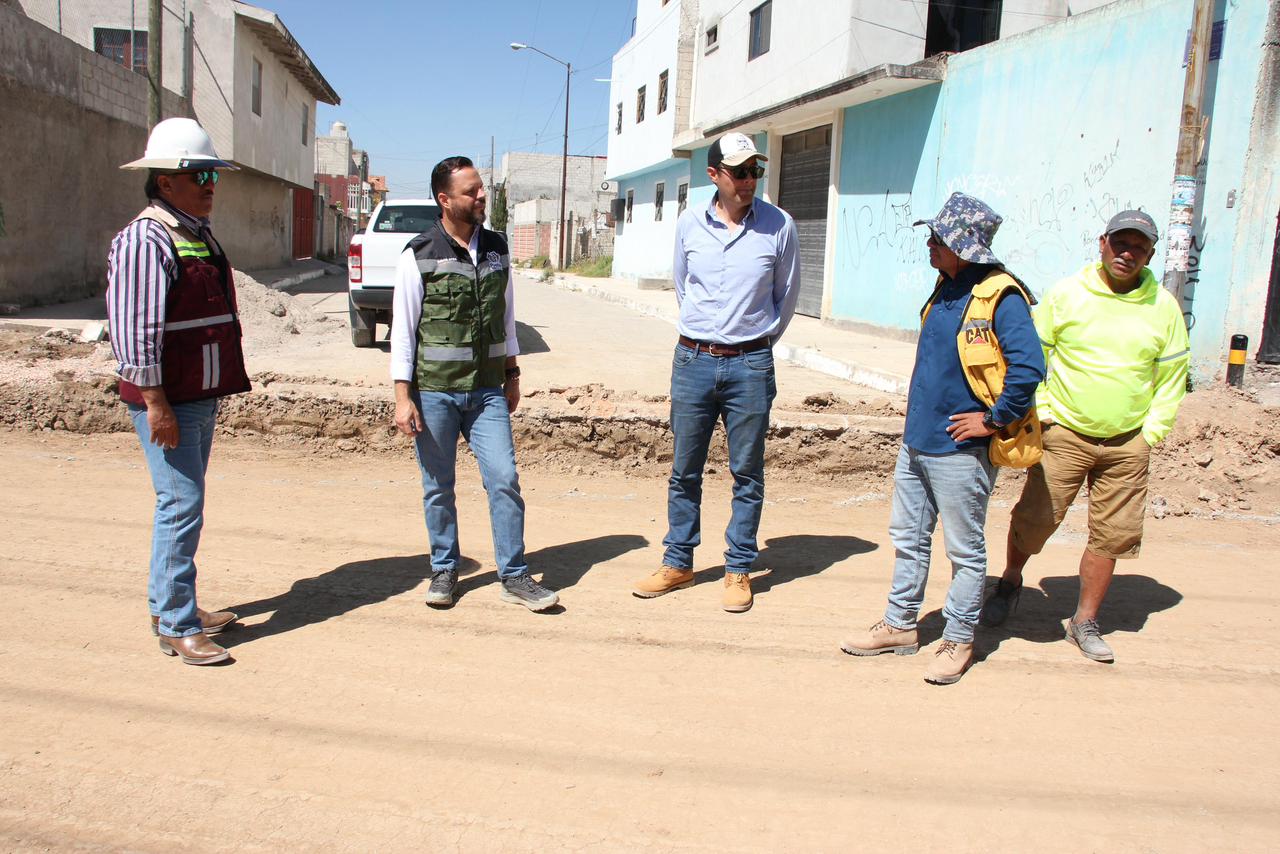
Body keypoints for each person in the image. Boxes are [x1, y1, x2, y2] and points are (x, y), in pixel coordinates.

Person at [840, 192, 1045, 684]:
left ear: (964, 244)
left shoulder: (1002, 295)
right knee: (908, 539)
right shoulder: (946, 286)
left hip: (961, 450)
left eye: (939, 238)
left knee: (964, 551)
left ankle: (958, 638)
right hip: (918, 441)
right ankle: (900, 624)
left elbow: (1030, 367)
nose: (930, 245)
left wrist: (993, 421)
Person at [980, 210, 1189, 663]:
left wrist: (1151, 432)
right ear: (1102, 243)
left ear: (1151, 253)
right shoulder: (1068, 294)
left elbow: (1173, 375)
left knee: (1113, 535)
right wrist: (1048, 413)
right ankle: (1011, 580)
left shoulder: (1164, 306)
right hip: (1066, 433)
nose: (1127, 253)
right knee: (1036, 519)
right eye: (1120, 243)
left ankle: (1084, 621)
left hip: (1128, 441)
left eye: (1138, 246)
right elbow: (1033, 357)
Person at [632, 132, 800, 613]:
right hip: (693, 361)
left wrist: (751, 341)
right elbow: (684, 287)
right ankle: (678, 561)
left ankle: (739, 567)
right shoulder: (688, 225)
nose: (749, 180)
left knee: (746, 472)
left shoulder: (779, 226)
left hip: (750, 363)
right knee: (684, 470)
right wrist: (709, 337)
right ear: (714, 176)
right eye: (739, 171)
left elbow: (785, 298)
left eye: (755, 171)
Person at [107, 117, 250, 665]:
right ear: (165, 182)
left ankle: (172, 602)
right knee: (180, 504)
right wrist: (156, 403)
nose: (209, 185)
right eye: (198, 177)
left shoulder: (190, 230)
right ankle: (175, 622)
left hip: (197, 394)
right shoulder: (147, 239)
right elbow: (135, 329)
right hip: (168, 400)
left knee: (184, 502)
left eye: (212, 175)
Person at [390, 156, 557, 611]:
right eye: (472, 191)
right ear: (445, 200)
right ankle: (444, 569)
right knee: (438, 485)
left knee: (504, 478)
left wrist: (512, 373)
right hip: (435, 391)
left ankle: (515, 576)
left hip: (486, 391)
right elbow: (403, 332)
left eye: (482, 188)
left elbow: (505, 318)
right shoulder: (419, 254)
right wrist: (403, 398)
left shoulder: (498, 247)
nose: (482, 196)